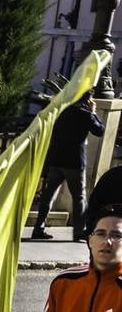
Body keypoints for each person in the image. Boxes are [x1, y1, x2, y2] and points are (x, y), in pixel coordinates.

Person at [31, 94, 103, 241]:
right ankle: (79, 232)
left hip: (56, 160)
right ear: (87, 100)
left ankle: (38, 228)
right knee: (79, 198)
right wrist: (93, 112)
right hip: (74, 162)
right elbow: (99, 130)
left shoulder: (60, 111)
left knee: (49, 195)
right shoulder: (85, 114)